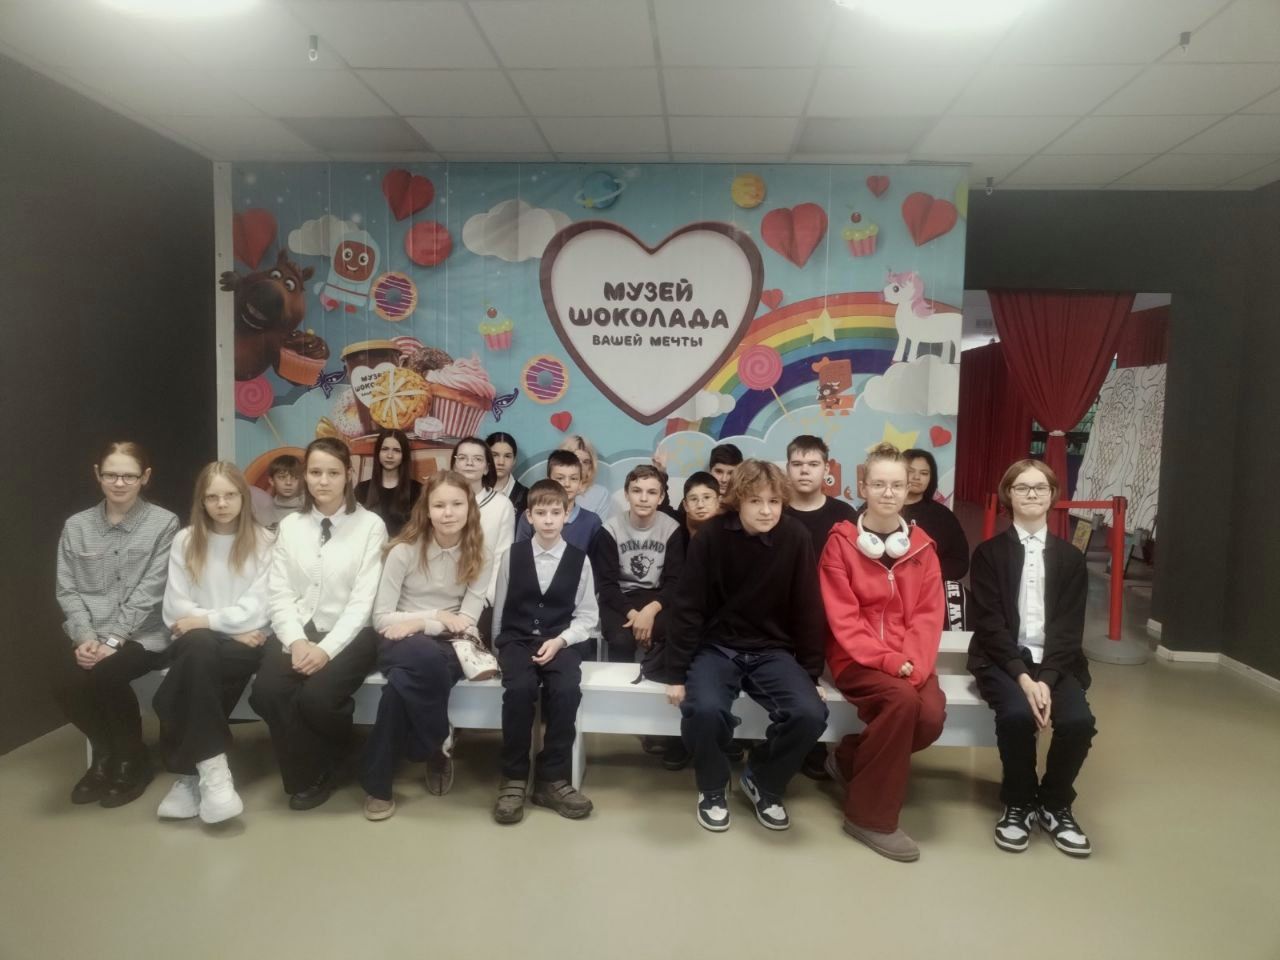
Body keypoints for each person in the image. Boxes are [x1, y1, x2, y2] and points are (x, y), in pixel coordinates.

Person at [663, 460, 828, 833]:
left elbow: (807, 607)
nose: (767, 510)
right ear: (738, 501)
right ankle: (712, 786)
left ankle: (764, 781)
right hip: (717, 646)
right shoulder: (710, 537)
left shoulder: (796, 536)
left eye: (774, 501)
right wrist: (676, 674)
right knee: (703, 710)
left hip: (773, 650)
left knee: (809, 713)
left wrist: (811, 673)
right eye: (756, 501)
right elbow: (687, 607)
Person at [819, 443, 946, 863]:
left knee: (930, 717)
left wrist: (915, 664)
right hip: (855, 659)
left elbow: (928, 616)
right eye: (878, 484)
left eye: (896, 485)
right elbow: (844, 619)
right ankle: (869, 818)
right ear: (864, 487)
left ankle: (849, 758)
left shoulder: (923, 548)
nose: (888, 493)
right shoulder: (840, 544)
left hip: (912, 659)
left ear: (908, 489)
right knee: (903, 702)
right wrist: (890, 662)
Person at [249, 437, 387, 811]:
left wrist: (325, 650)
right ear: (305, 476)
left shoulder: (370, 526)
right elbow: (279, 592)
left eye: (332, 473)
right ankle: (317, 766)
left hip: (353, 634)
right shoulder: (291, 525)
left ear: (348, 475)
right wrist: (296, 641)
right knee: (267, 693)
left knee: (317, 699)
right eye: (315, 472)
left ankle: (322, 764)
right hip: (297, 630)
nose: (323, 481)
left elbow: (362, 602)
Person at [968, 459, 1095, 857]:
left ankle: (1055, 804)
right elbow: (989, 625)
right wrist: (1024, 679)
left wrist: (1047, 680)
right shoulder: (988, 554)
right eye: (1022, 487)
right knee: (1016, 715)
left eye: (1040, 487)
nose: (1032, 494)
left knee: (1077, 721)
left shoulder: (1071, 558)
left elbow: (1069, 629)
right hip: (1002, 659)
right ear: (1008, 495)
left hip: (1056, 661)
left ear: (1053, 495)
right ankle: (1019, 802)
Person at [361, 471, 494, 821]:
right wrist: (434, 615)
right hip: (399, 639)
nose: (448, 513)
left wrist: (421, 623)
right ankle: (436, 741)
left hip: (450, 642)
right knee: (422, 655)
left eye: (456, 504)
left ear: (470, 508)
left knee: (399, 689)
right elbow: (382, 618)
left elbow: (466, 621)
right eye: (439, 505)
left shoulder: (480, 554)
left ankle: (378, 785)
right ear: (427, 510)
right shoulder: (403, 551)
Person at [54, 441, 179, 808]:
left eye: (129, 476)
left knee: (107, 673)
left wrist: (113, 640)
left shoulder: (164, 523)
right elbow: (67, 589)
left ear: (145, 477)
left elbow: (151, 590)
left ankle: (131, 761)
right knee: (62, 681)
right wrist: (85, 637)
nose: (119, 483)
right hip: (92, 635)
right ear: (98, 474)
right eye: (111, 475)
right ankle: (107, 753)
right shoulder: (76, 526)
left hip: (146, 636)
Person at [154, 461, 272, 824]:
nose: (222, 504)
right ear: (201, 501)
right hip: (206, 641)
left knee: (192, 666)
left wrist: (206, 622)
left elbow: (259, 608)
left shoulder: (265, 541)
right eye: (212, 497)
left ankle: (190, 775)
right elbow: (176, 609)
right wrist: (227, 627)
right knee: (199, 649)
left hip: (246, 645)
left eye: (230, 495)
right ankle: (212, 771)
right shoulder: (186, 540)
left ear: (243, 497)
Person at [491, 480, 598, 824]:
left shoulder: (580, 560)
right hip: (516, 640)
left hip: (560, 639)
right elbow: (501, 607)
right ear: (529, 516)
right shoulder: (512, 555)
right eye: (541, 512)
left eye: (555, 512)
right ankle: (514, 777)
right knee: (519, 690)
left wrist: (561, 640)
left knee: (566, 690)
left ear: (567, 514)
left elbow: (587, 617)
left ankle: (552, 778)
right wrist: (497, 648)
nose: (549, 519)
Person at [783, 434, 858, 781]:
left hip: (832, 617)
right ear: (787, 468)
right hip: (781, 616)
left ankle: (816, 746)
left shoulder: (844, 515)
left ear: (826, 469)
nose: (804, 471)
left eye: (812, 464)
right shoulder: (774, 510)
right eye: (797, 464)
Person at [592, 465, 685, 665]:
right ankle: (621, 685)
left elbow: (675, 581)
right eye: (636, 491)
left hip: (657, 598)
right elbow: (606, 585)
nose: (643, 498)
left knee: (669, 632)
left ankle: (659, 680)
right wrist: (635, 615)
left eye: (651, 492)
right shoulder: (609, 530)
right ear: (627, 494)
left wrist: (650, 612)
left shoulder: (672, 528)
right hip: (619, 598)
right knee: (621, 640)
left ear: (661, 497)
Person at [450, 436, 513, 603]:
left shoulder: (502, 505)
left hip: (482, 597)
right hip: (441, 594)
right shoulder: (440, 500)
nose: (469, 463)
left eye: (477, 459)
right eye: (462, 458)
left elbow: (502, 557)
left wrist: (486, 598)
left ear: (486, 468)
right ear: (454, 465)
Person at [514, 450, 603, 555]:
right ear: (548, 480)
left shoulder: (592, 521)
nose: (567, 484)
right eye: (560, 478)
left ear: (580, 483)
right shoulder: (530, 517)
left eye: (573, 478)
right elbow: (520, 556)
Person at [901, 448, 969, 582]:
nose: (916, 477)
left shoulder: (943, 516)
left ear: (931, 478)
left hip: (930, 586)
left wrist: (929, 575)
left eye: (924, 473)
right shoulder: (877, 509)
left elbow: (960, 561)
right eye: (910, 471)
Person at [355, 428, 421, 538]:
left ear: (404, 455)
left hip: (405, 547)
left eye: (396, 450)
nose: (390, 455)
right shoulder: (362, 490)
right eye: (385, 449)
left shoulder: (418, 490)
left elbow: (421, 530)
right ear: (378, 452)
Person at [558, 434, 611, 519]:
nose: (581, 466)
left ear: (591, 466)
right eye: (576, 460)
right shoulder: (546, 490)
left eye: (586, 462)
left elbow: (600, 526)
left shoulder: (601, 494)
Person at [250, 454, 304, 529]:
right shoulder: (261, 516)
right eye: (282, 477)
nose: (288, 482)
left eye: (294, 477)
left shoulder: (312, 511)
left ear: (301, 480)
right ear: (271, 481)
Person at [487, 431, 528, 516]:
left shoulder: (526, 496)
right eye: (495, 455)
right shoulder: (473, 490)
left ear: (514, 460)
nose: (501, 462)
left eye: (507, 456)